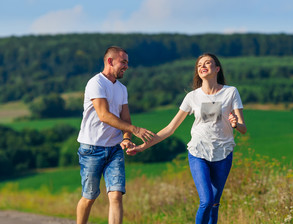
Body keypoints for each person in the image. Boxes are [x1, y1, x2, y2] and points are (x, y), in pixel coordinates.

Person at [127, 53, 247, 224]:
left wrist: (236, 124)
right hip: (199, 152)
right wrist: (141, 147)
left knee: (214, 203)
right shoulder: (192, 97)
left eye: (207, 63)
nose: (202, 66)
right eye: (199, 65)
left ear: (217, 69)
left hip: (223, 153)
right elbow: (170, 129)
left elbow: (243, 128)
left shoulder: (230, 92)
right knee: (206, 200)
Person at [76, 46, 154, 224]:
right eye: (123, 62)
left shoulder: (122, 89)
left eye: (127, 62)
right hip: (92, 149)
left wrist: (126, 138)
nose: (127, 66)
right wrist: (135, 130)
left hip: (115, 149)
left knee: (116, 195)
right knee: (89, 197)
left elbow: (125, 118)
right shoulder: (95, 83)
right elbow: (104, 115)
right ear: (110, 61)